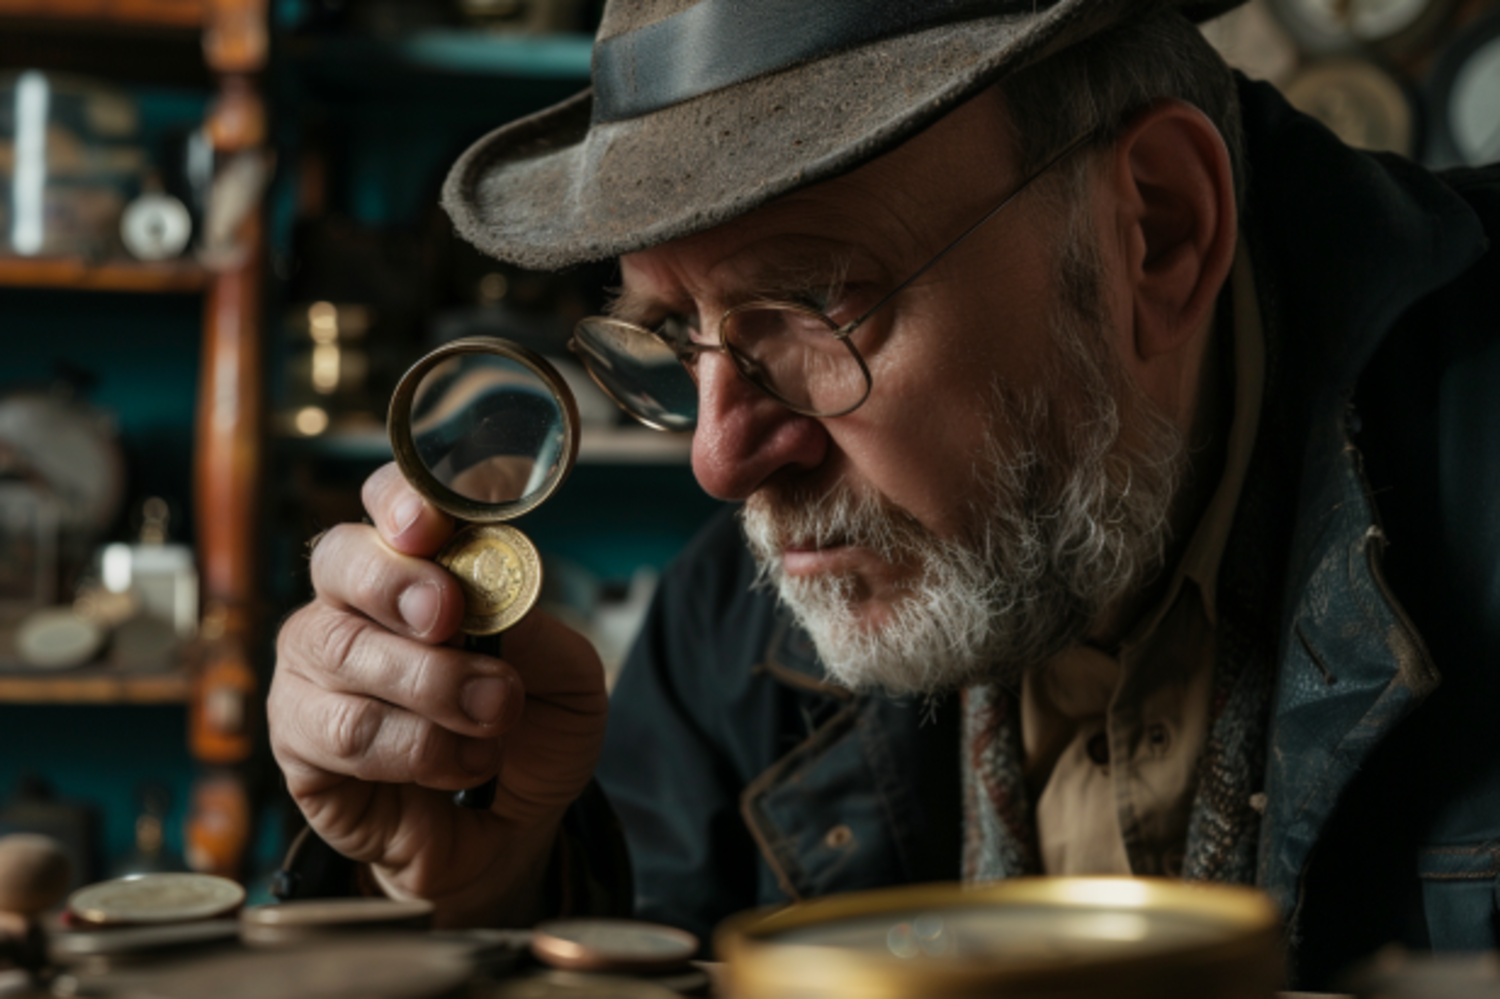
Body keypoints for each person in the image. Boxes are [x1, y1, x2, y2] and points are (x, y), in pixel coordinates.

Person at [268, 0, 1500, 988]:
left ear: (1156, 232)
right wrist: (493, 886)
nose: (721, 459)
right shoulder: (735, 637)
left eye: (811, 305)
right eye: (674, 335)